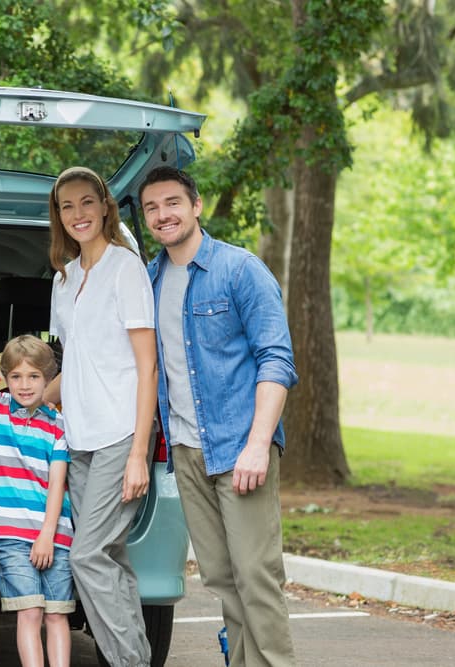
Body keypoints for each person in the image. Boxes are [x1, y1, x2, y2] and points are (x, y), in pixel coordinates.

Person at [138, 165, 298, 667]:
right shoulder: (151, 277)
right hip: (185, 452)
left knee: (256, 575)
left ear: (196, 205)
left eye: (172, 203)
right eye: (152, 208)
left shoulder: (240, 269)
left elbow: (277, 359)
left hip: (238, 446)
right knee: (223, 579)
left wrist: (258, 443)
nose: (162, 215)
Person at [44, 166, 157, 666]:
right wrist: (13, 396)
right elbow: (74, 363)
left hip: (120, 434)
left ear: (105, 205)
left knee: (86, 555)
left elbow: (147, 363)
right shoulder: (63, 279)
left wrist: (139, 453)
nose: (78, 214)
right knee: (110, 557)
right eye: (67, 207)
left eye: (86, 202)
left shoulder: (125, 267)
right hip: (78, 439)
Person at [0, 335, 74, 667]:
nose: (24, 385)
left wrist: (47, 535)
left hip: (55, 534)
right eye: (16, 376)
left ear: (48, 379)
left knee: (57, 615)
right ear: (5, 378)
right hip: (10, 534)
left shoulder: (59, 424)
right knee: (30, 610)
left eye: (33, 376)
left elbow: (58, 484)